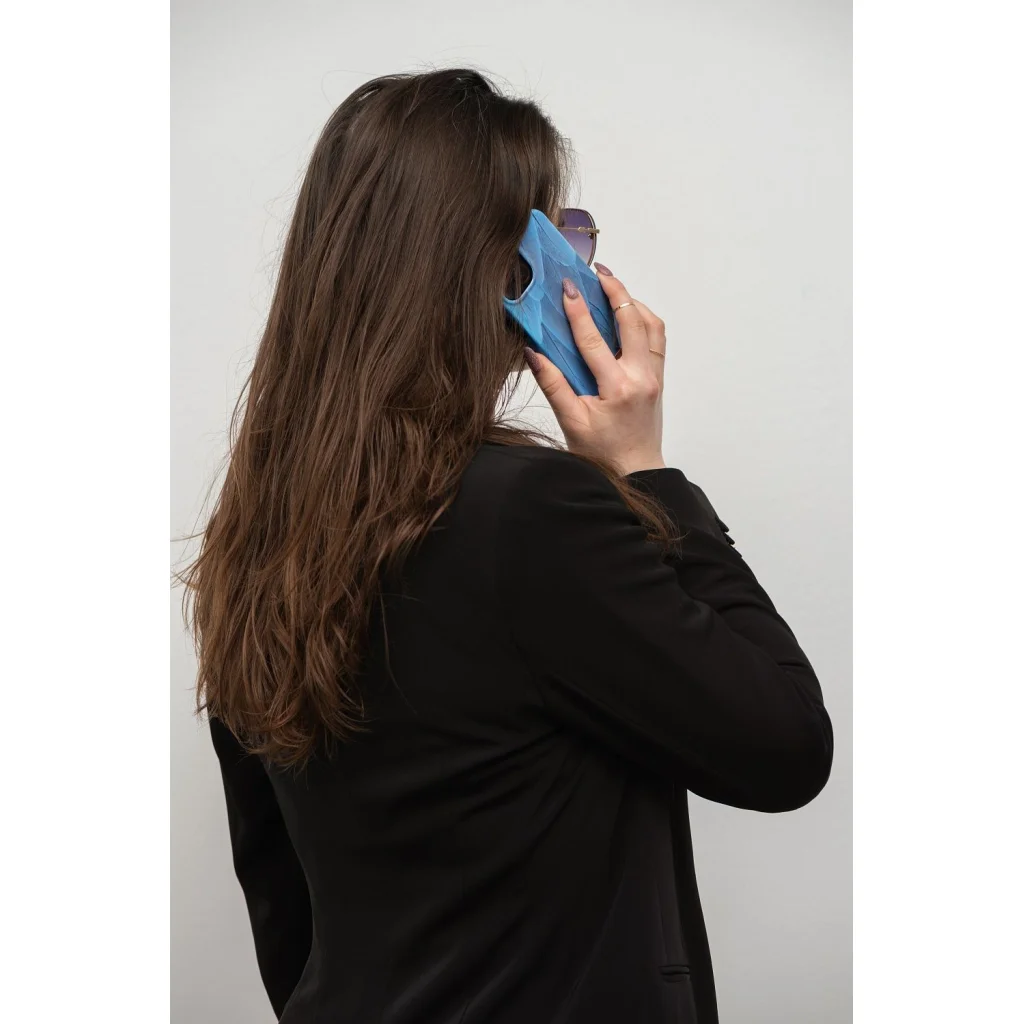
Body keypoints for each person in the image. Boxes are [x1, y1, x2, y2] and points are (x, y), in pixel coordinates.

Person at [181, 67, 833, 1024]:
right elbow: (786, 748)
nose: (576, 267)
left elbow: (285, 914)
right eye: (559, 235)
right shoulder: (532, 512)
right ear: (503, 270)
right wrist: (646, 472)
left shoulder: (258, 536)